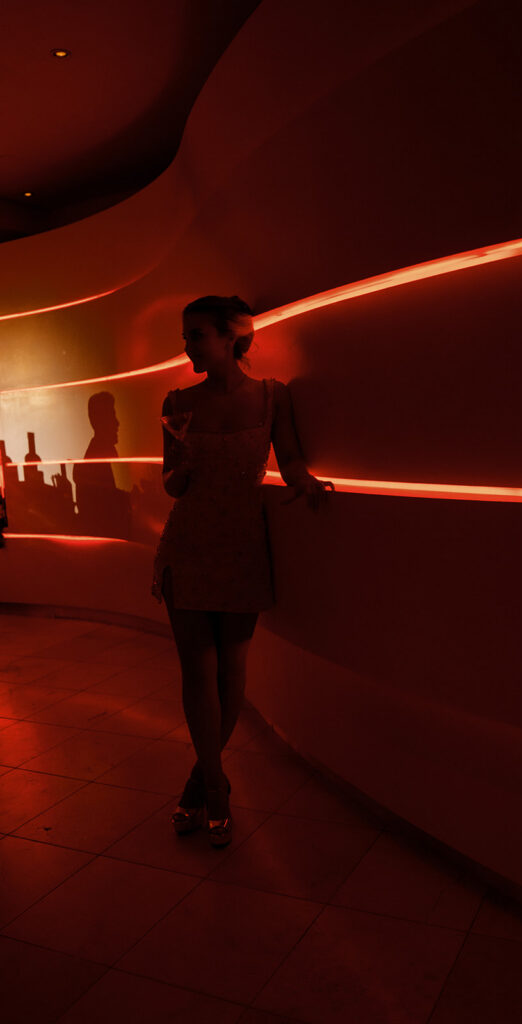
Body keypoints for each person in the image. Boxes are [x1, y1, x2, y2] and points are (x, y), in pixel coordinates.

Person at [151, 295, 334, 846]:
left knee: (231, 671)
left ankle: (199, 781)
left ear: (233, 337)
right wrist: (180, 464)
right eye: (186, 336)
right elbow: (171, 483)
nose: (188, 346)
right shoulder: (177, 400)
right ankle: (217, 791)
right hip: (188, 545)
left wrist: (303, 482)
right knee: (197, 672)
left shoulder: (272, 396)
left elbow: (291, 457)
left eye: (197, 334)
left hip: (242, 546)